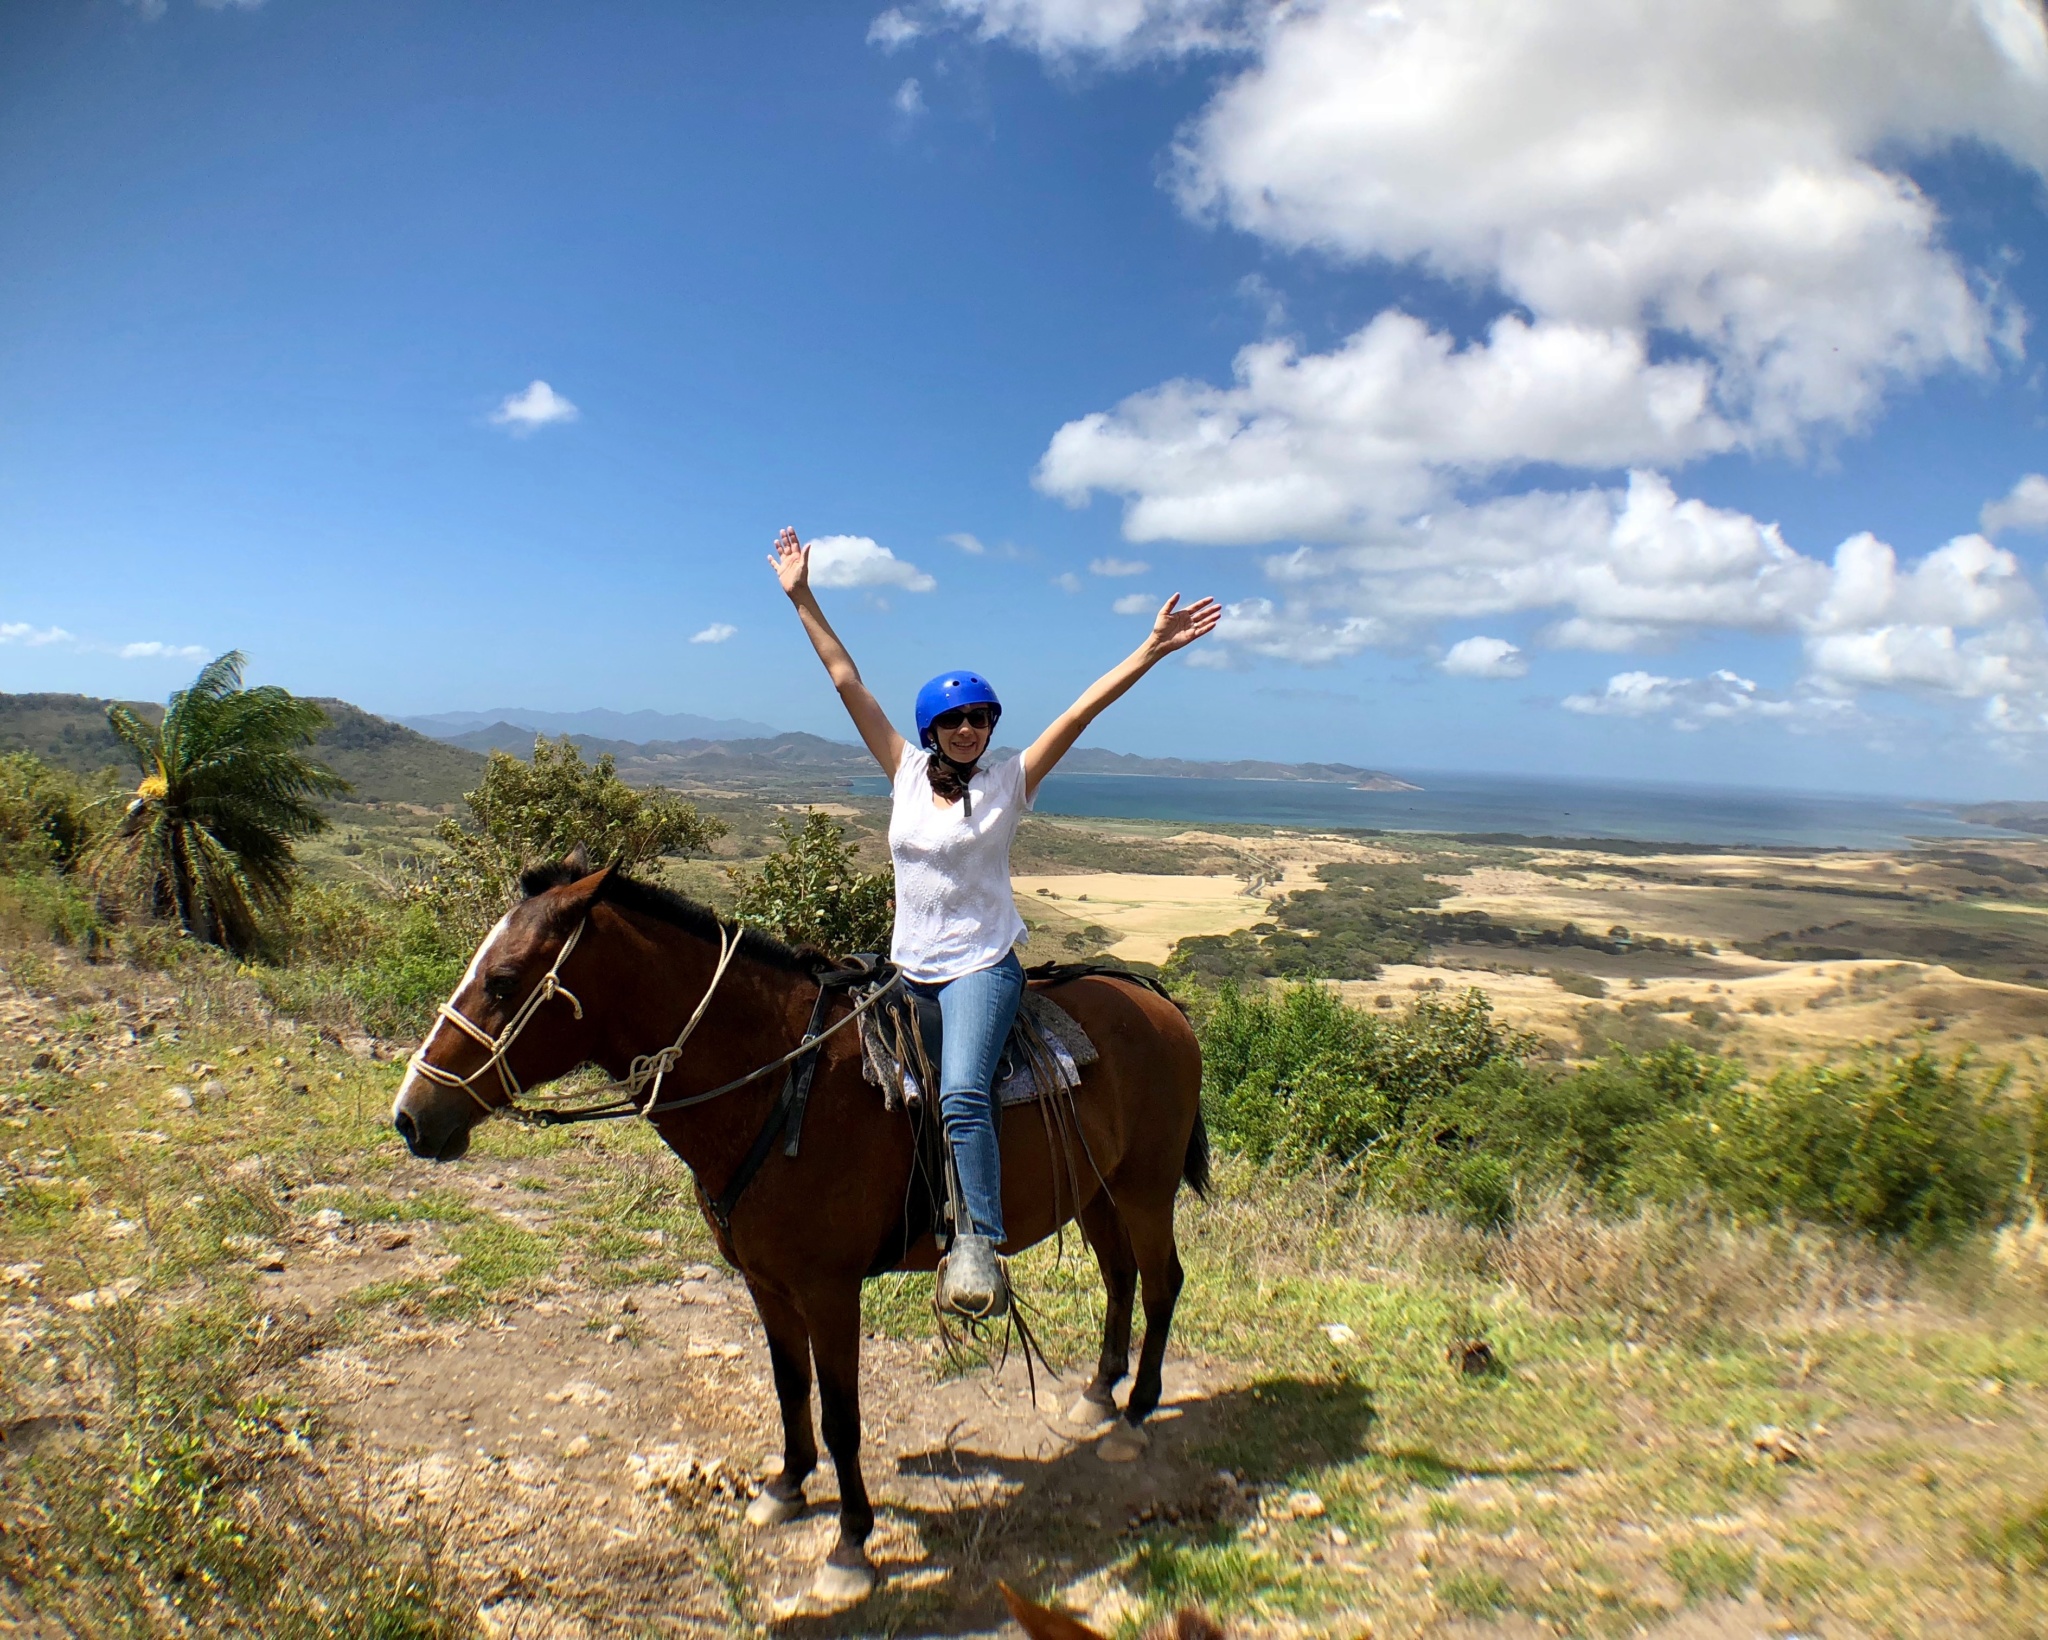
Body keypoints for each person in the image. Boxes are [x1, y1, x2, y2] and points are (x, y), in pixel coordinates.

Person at [769, 526, 1220, 1318]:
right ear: (932, 730)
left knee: (966, 1091)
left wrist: (1149, 651)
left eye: (981, 717)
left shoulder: (1012, 781)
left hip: (981, 967)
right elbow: (847, 679)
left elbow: (1080, 711)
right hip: (907, 966)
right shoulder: (903, 772)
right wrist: (803, 596)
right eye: (957, 720)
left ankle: (977, 1241)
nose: (971, 729)